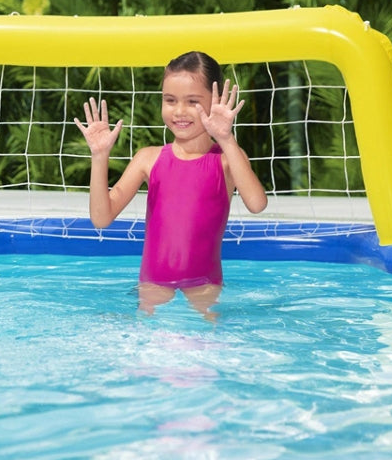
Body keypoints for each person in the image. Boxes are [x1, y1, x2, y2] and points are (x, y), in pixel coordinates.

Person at [75, 51, 267, 317]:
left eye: (192, 102)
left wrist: (226, 138)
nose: (179, 111)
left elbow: (257, 204)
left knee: (207, 350)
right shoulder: (148, 159)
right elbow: (101, 218)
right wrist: (99, 157)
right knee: (149, 352)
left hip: (205, 285)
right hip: (153, 284)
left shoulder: (226, 160)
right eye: (170, 100)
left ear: (215, 100)